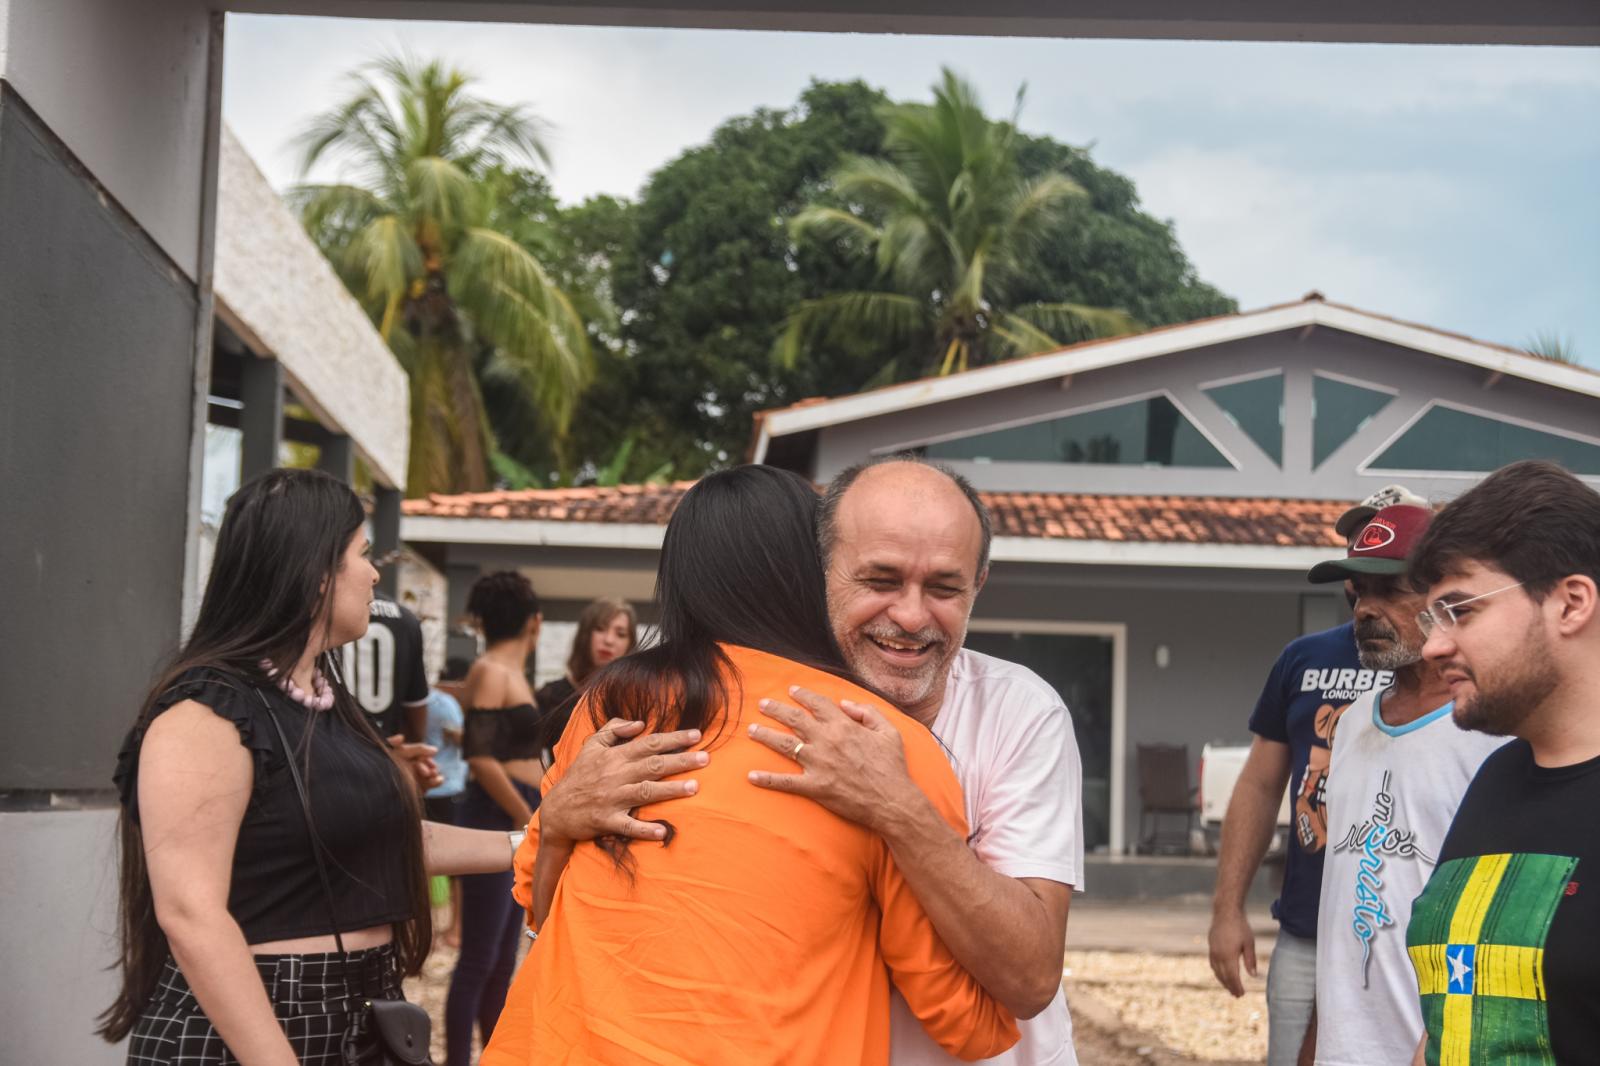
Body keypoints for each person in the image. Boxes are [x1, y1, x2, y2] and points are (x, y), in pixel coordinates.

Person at [510, 455, 1083, 1066]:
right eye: (880, 580)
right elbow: (971, 1023)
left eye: (943, 587)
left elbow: (1026, 984)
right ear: (817, 573)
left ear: (978, 586)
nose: (911, 616)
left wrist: (899, 809)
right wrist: (560, 823)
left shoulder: (615, 702)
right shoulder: (619, 713)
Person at [97, 468, 520, 1065]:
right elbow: (191, 914)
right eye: (364, 554)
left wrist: (531, 841)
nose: (376, 573)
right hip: (255, 1026)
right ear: (316, 573)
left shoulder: (325, 696)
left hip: (360, 1011)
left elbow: (394, 841)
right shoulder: (206, 710)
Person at [1208, 484, 1425, 1065]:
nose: (1369, 548)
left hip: (1406, 935)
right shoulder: (1303, 660)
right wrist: (1228, 908)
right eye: (1361, 537)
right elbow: (1260, 784)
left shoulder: (1453, 680)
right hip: (1307, 925)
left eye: (1388, 535)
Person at [1405, 460, 1600, 1065]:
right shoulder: (1494, 779)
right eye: (1432, 618)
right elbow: (1446, 1021)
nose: (1434, 645)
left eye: (1461, 610)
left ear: (1570, 604)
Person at [1301, 505, 1505, 1065]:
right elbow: (1342, 903)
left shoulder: (1492, 730)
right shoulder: (1353, 721)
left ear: (1445, 596)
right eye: (1359, 592)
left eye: (1389, 590)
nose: (1366, 609)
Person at [445, 571, 545, 1066]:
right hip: (498, 811)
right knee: (478, 960)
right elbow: (482, 759)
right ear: (534, 622)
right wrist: (530, 818)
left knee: (501, 959)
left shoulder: (509, 672)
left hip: (515, 806)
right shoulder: (490, 670)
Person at [533, 597, 638, 761]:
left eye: (620, 634)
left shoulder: (637, 700)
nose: (608, 640)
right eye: (600, 629)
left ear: (630, 644)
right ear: (585, 635)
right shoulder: (551, 695)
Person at [425, 657, 472, 949]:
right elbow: (462, 740)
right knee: (458, 867)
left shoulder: (414, 702)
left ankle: (424, 931)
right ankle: (455, 929)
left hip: (421, 788)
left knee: (419, 863)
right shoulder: (444, 704)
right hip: (449, 787)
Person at [342, 592, 431, 741]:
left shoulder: (326, 611)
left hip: (331, 745)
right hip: (386, 746)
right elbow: (415, 710)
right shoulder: (407, 620)